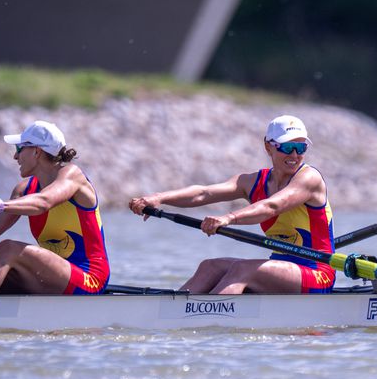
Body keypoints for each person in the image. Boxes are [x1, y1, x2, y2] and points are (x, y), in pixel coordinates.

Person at [128, 115, 335, 294]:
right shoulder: (252, 182)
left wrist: (228, 218)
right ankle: (170, 314)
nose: (295, 155)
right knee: (210, 266)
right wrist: (159, 198)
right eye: (288, 147)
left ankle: (208, 318)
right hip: (281, 266)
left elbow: (271, 207)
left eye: (301, 148)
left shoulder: (309, 178)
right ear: (268, 146)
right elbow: (203, 193)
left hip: (318, 272)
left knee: (243, 270)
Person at [0, 120, 110, 296]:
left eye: (19, 149)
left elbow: (44, 202)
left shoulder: (72, 175)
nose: (15, 157)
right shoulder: (23, 189)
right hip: (47, 276)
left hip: (89, 278)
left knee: (9, 248)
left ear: (37, 151)